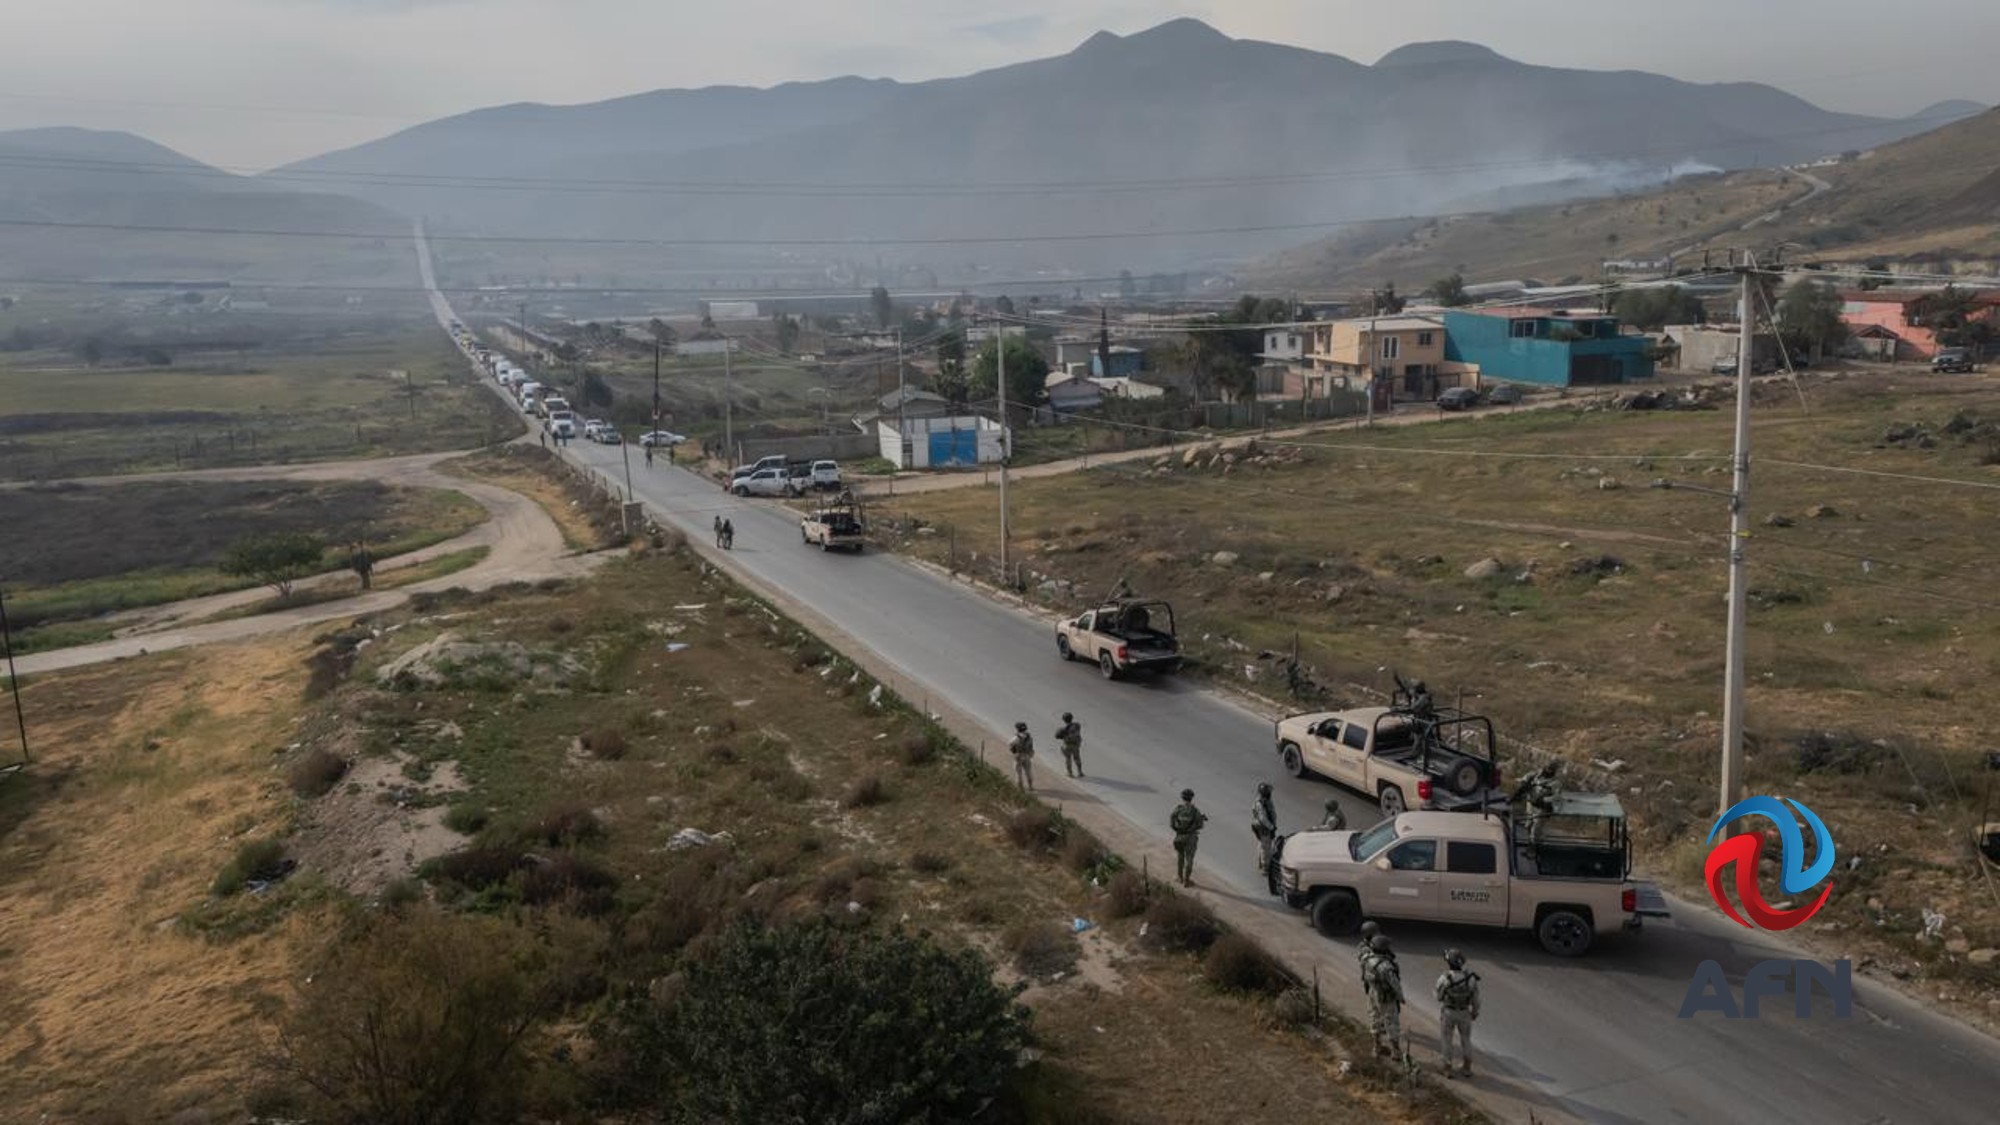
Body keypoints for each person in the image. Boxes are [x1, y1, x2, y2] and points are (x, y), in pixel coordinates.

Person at [1435, 949, 1481, 1078]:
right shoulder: (1470, 978)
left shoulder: (1444, 978)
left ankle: (1447, 1067)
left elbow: (1439, 997)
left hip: (1449, 1012)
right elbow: (1476, 999)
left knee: (1447, 1039)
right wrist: (1475, 1012)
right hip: (1464, 1012)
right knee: (1466, 1039)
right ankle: (1467, 1067)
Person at [1363, 933, 1404, 1059]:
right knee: (1391, 1023)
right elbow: (1395, 984)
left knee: (1374, 1019)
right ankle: (1396, 1052)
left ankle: (1377, 1047)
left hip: (1373, 992)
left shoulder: (1367, 959)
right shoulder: (1385, 966)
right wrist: (1400, 997)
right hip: (1386, 997)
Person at [1169, 788, 1207, 887]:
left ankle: (1179, 877)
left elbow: (1171, 821)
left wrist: (1178, 829)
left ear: (1182, 798)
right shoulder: (1195, 811)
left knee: (1180, 856)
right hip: (1191, 838)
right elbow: (1200, 825)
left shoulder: (1178, 809)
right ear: (1191, 798)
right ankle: (1187, 881)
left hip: (1180, 837)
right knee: (1189, 859)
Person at [1252, 781, 1279, 879]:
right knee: (1265, 848)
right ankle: (1265, 868)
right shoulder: (1259, 804)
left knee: (1263, 845)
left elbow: (1272, 812)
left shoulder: (1267, 801)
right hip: (1264, 828)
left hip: (1267, 827)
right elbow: (1262, 818)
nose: (1270, 794)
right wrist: (1271, 827)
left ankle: (1261, 863)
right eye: (1268, 792)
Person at [1008, 721, 1035, 791]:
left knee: (1018, 773)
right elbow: (1031, 747)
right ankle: (1030, 786)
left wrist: (1013, 751)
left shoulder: (1016, 738)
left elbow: (1010, 744)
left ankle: (1020, 788)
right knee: (1028, 772)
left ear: (1018, 729)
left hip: (1018, 756)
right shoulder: (1029, 737)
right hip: (1027, 756)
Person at [1056, 711, 1083, 778]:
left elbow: (1057, 736)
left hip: (1068, 745)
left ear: (1064, 720)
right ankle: (1080, 772)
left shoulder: (1064, 729)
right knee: (1077, 758)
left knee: (1068, 758)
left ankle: (1070, 773)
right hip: (1076, 744)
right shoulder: (1077, 725)